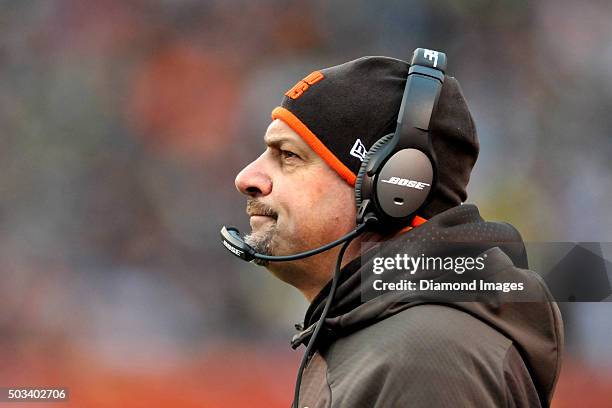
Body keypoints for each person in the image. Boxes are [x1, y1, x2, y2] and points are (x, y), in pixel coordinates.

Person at [231, 55, 563, 407]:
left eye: (289, 156)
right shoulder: (391, 341)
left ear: (394, 189)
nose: (246, 178)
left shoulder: (424, 359)